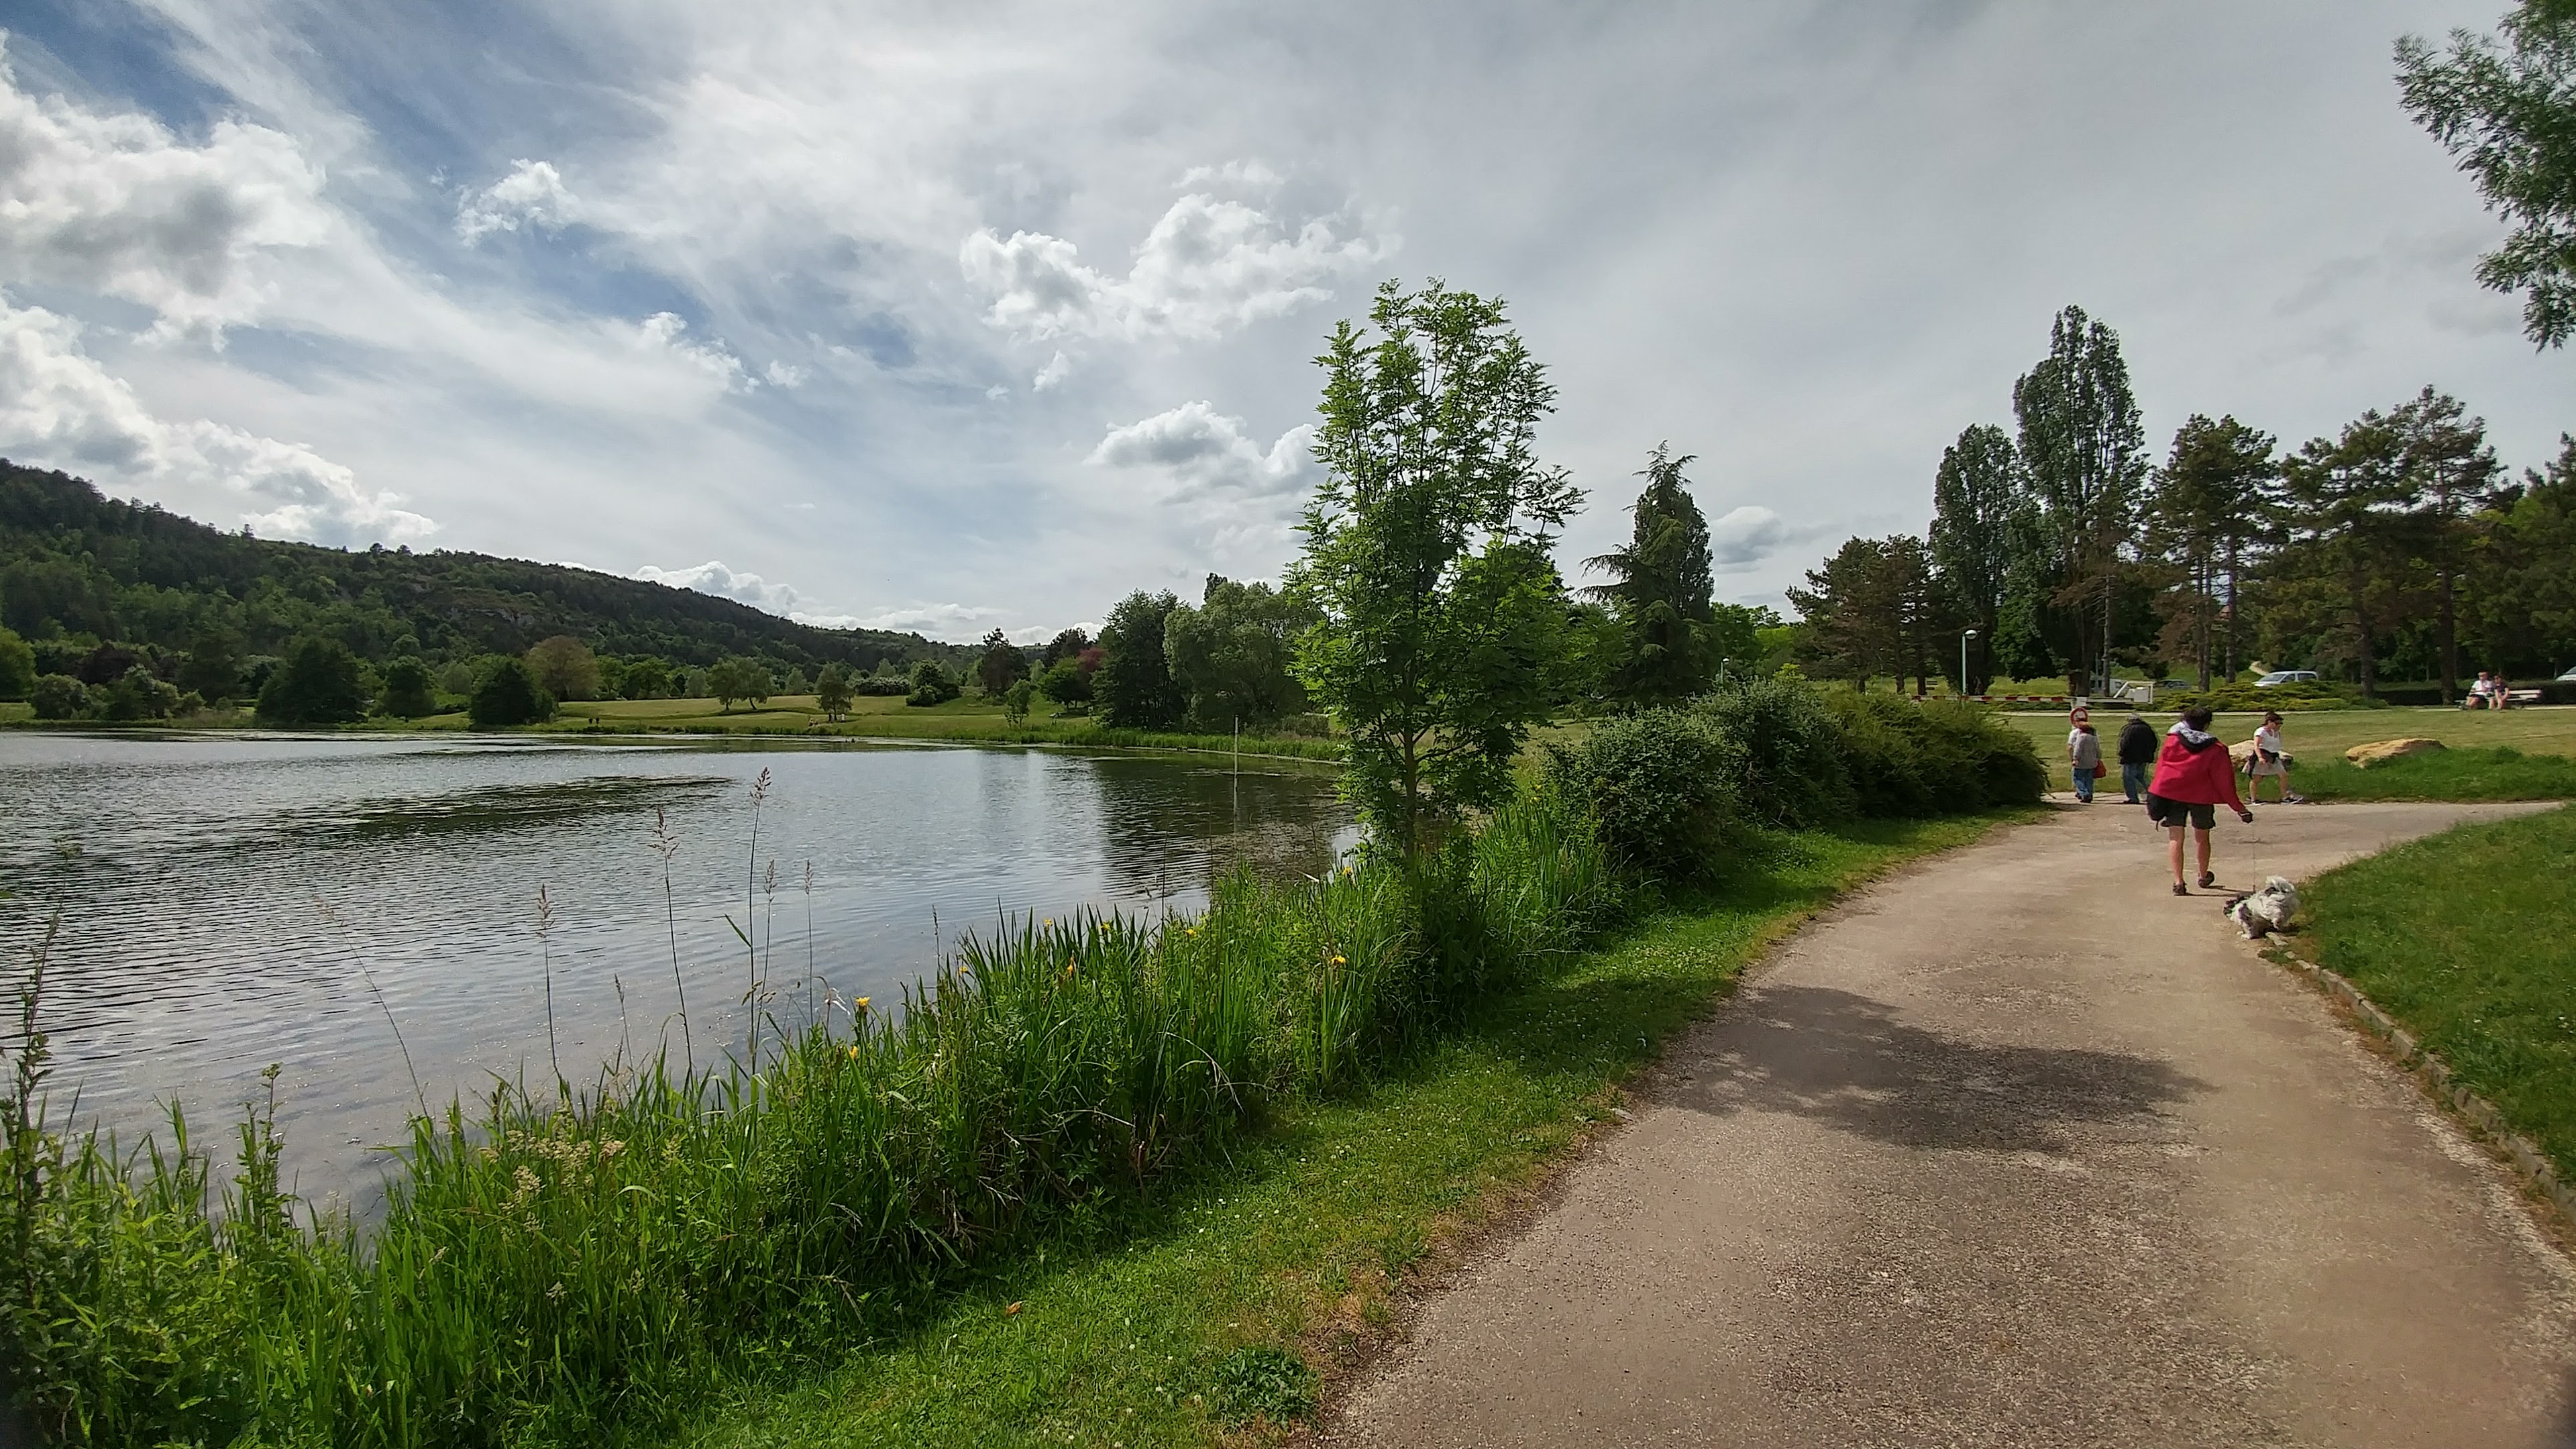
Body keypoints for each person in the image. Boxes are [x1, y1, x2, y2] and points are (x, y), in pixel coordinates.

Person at [2146, 704, 2253, 896]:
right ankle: (2203, 875)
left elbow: (2162, 770)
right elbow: (2224, 783)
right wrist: (2240, 809)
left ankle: (2179, 882)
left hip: (2173, 794)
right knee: (2202, 838)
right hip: (2202, 798)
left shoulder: (2172, 741)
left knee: (2176, 838)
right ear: (2207, 724)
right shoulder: (2217, 748)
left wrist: (2155, 794)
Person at [2248, 709, 2300, 804]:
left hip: (2273, 757)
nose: (2279, 726)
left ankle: (2285, 797)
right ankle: (2253, 799)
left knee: (2283, 775)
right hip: (2263, 755)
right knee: (2257, 778)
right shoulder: (2261, 732)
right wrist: (2260, 757)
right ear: (2270, 722)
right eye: (2277, 723)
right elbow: (2256, 746)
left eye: (2280, 724)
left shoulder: (2275, 733)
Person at [2116, 710, 2158, 804]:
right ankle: (2152, 795)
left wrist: (2121, 753)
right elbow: (2154, 742)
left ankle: (2133, 797)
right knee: (2141, 777)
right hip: (2144, 757)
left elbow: (2125, 743)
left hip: (2130, 757)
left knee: (2128, 778)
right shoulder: (2148, 729)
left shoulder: (2129, 729)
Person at [2067, 714, 2102, 802]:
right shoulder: (2094, 738)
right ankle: (2090, 793)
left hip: (2082, 762)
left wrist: (2075, 758)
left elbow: (2078, 749)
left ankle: (2084, 793)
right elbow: (2098, 749)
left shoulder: (2081, 737)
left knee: (2077, 778)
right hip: (2092, 761)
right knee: (2089, 779)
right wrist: (2098, 758)